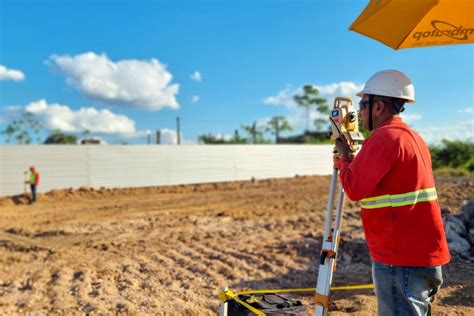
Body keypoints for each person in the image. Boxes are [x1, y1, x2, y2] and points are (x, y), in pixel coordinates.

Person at [334, 70, 450, 316]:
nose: (359, 113)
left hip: (399, 257)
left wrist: (344, 158)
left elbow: (353, 188)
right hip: (422, 254)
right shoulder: (412, 137)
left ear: (378, 107)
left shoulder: (384, 138)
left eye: (363, 105)